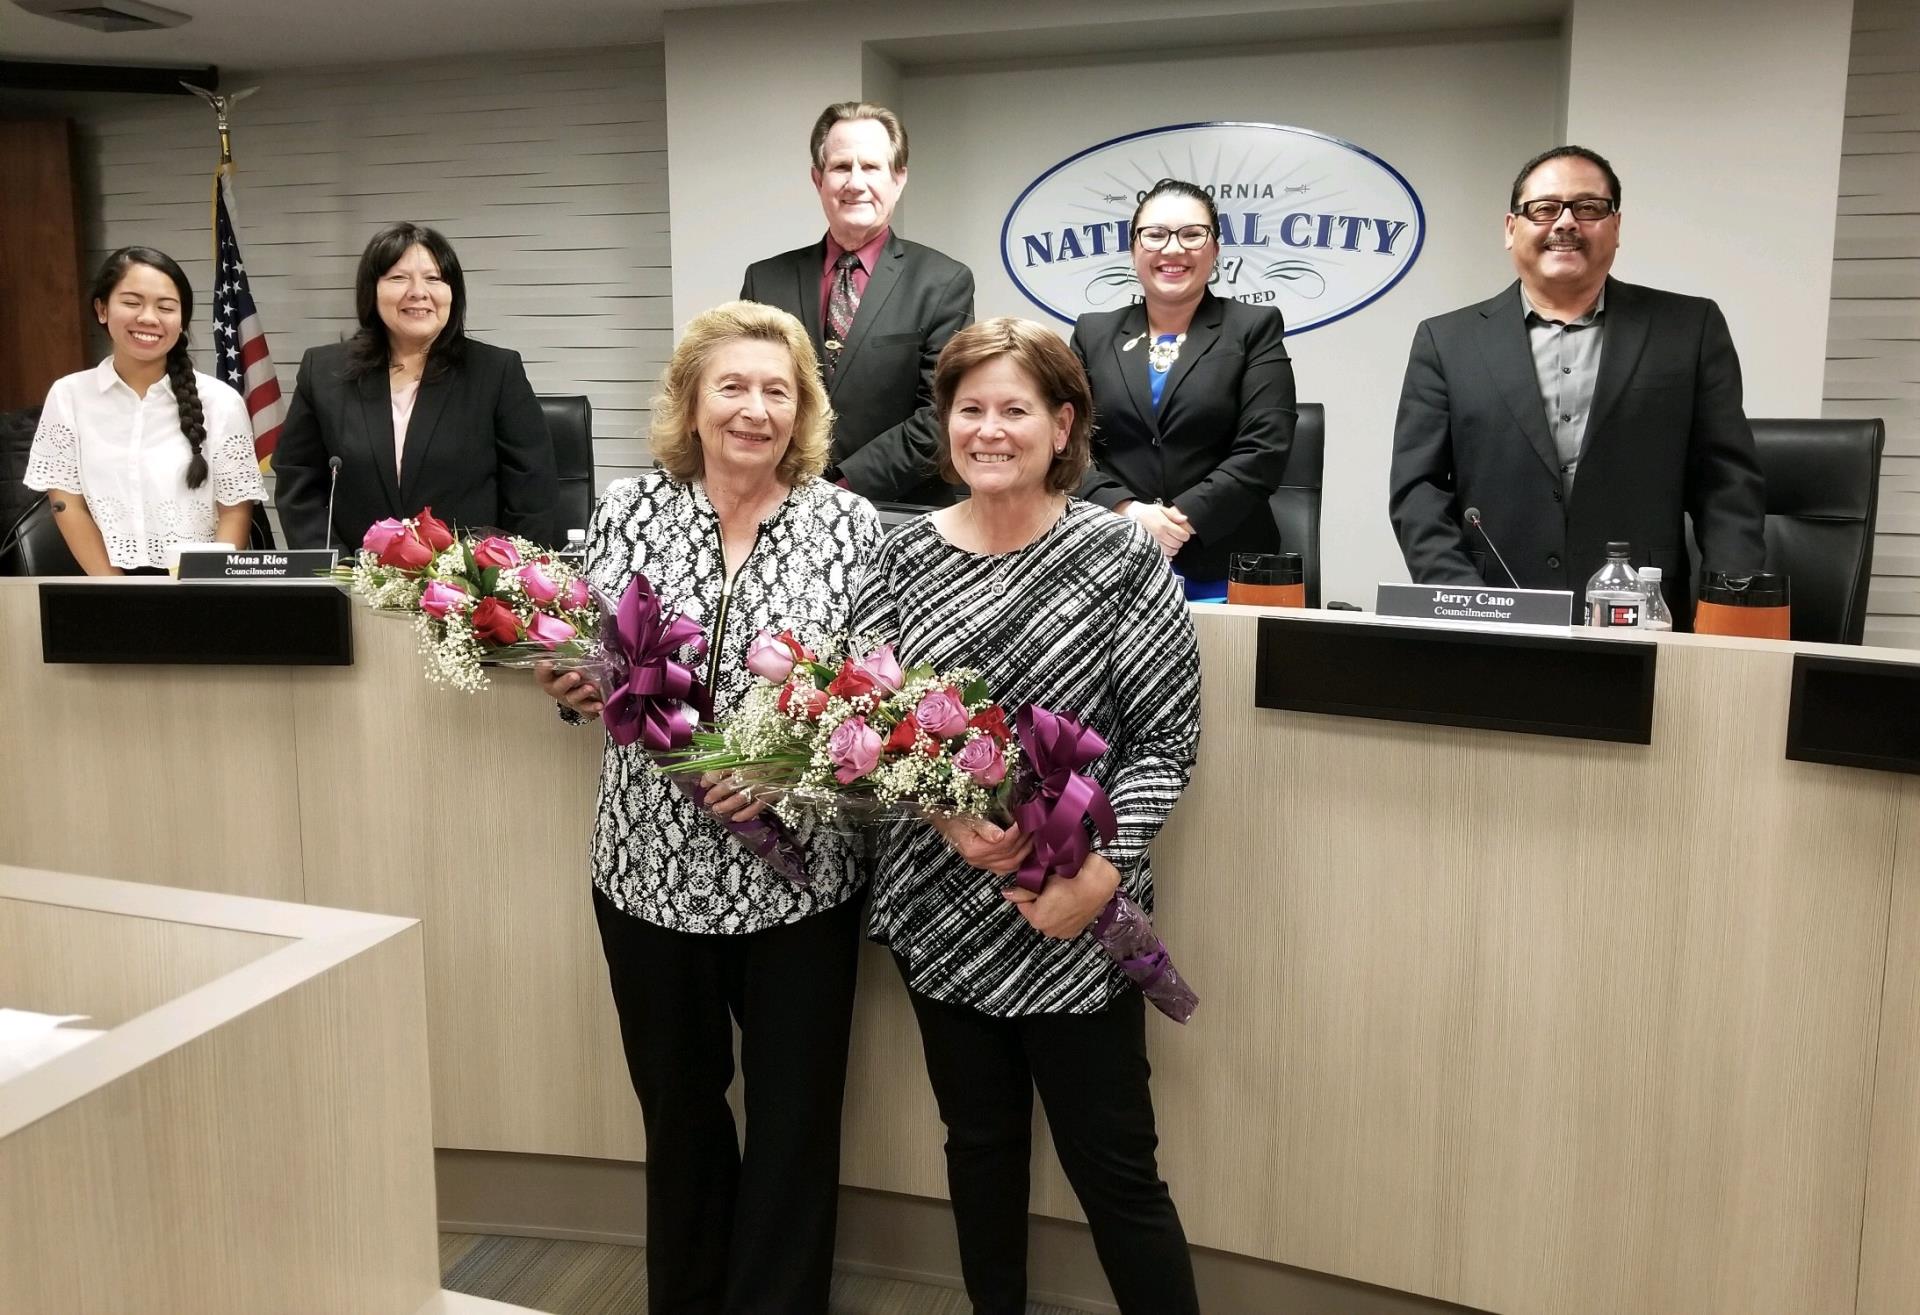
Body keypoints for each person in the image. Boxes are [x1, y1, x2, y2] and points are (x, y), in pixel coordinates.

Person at [850, 318, 1201, 1315]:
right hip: (942, 911)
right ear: (944, 425)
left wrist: (1097, 877)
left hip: (1082, 915)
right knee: (980, 1153)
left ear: (1062, 424)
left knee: (1119, 1174)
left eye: (1015, 410)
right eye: (970, 409)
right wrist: (948, 816)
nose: (990, 430)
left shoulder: (1117, 555)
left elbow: (1166, 743)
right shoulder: (901, 556)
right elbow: (876, 726)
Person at [536, 301, 880, 1315]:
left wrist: (787, 764)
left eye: (778, 390)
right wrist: (569, 685)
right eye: (731, 385)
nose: (754, 409)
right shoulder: (631, 509)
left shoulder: (849, 525)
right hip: (644, 873)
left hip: (799, 880)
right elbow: (584, 650)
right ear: (690, 400)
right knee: (678, 1118)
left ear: (803, 410)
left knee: (793, 1129)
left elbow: (875, 691)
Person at [1388, 145, 1767, 627]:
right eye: (1544, 209)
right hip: (1489, 620)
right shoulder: (1446, 341)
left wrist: (1729, 616)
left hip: (1644, 619)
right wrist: (1466, 602)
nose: (1565, 223)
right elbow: (1417, 489)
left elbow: (1727, 484)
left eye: (1588, 208)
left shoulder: (1689, 329)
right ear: (1511, 228)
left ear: (1616, 226)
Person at [740, 100, 974, 506]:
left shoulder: (943, 282)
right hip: (777, 503)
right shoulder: (765, 280)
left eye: (871, 167)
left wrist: (840, 490)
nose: (855, 182)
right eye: (840, 167)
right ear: (818, 179)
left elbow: (944, 411)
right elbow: (745, 393)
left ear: (898, 179)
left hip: (900, 512)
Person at [1073, 178, 1297, 599]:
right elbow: (1064, 444)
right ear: (1133, 249)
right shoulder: (1092, 333)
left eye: (1192, 235)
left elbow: (1264, 449)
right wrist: (1129, 512)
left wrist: (1180, 521)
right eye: (1155, 235)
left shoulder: (1253, 328)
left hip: (1226, 566)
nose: (1173, 249)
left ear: (1215, 250)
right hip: (1108, 562)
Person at [274, 222, 558, 551]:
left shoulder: (495, 372)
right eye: (398, 277)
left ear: (453, 292)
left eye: (434, 278)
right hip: (354, 583)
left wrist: (503, 578)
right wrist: (339, 573)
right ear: (372, 290)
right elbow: (299, 485)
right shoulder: (323, 372)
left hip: (466, 591)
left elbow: (532, 493)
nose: (418, 291)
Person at [24, 247, 265, 575]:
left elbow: (235, 512)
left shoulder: (221, 401)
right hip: (101, 579)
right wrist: (115, 588)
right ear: (102, 309)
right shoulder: (69, 396)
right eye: (132, 302)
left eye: (165, 307)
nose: (148, 318)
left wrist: (208, 586)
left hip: (199, 585)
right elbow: (68, 505)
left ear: (181, 321)